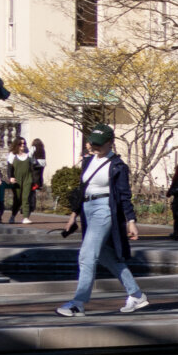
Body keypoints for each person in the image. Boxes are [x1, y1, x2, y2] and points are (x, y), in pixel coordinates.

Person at [57, 123, 147, 315]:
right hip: (87, 209)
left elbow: (124, 195)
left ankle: (78, 303)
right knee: (106, 256)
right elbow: (82, 190)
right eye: (92, 143)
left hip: (104, 210)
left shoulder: (117, 166)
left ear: (110, 143)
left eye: (98, 144)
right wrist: (73, 215)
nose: (94, 147)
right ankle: (136, 295)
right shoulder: (89, 161)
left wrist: (131, 221)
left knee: (87, 255)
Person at [6, 139, 34, 224]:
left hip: (27, 178)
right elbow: (9, 167)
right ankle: (13, 216)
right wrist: (11, 177)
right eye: (20, 143)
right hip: (17, 179)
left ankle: (25, 217)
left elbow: (33, 167)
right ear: (16, 144)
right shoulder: (12, 155)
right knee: (17, 199)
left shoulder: (29, 155)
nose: (22, 145)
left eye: (24, 143)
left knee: (26, 198)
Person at [27, 137, 47, 212]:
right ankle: (39, 185)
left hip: (36, 163)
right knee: (40, 175)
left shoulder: (33, 147)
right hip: (43, 163)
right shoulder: (42, 148)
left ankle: (36, 185)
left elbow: (30, 154)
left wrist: (30, 161)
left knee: (35, 175)